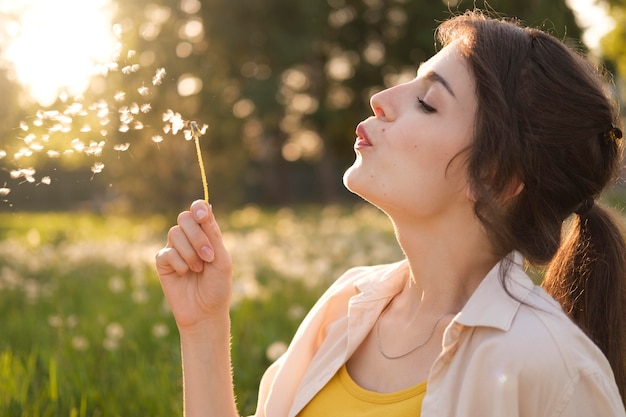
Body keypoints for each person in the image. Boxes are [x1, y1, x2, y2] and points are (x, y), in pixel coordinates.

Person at [155, 9, 626, 417]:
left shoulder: (553, 368)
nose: (381, 98)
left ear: (496, 180)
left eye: (427, 103)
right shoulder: (346, 306)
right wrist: (203, 329)